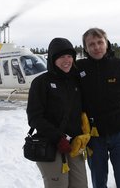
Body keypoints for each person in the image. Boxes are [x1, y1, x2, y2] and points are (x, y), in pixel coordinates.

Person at [76, 27, 120, 188]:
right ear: (86, 48)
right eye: (91, 44)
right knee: (98, 181)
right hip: (93, 136)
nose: (96, 47)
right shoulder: (79, 68)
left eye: (100, 42)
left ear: (106, 43)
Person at [27, 37, 88, 188]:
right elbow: (35, 117)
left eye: (69, 56)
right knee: (58, 185)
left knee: (81, 185)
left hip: (75, 144)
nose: (66, 60)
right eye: (61, 56)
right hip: (50, 145)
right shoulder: (41, 82)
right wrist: (58, 138)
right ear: (53, 58)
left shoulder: (76, 80)